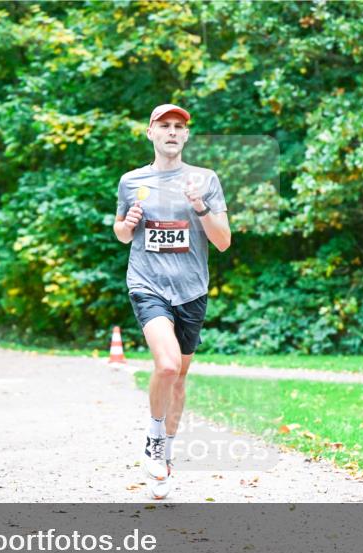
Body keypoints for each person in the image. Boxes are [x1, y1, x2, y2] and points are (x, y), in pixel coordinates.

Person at [113, 103, 231, 498]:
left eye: (179, 126)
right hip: (147, 284)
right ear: (151, 133)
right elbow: (122, 233)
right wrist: (126, 225)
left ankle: (165, 456)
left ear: (186, 136)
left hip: (192, 290)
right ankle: (153, 435)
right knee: (165, 366)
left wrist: (200, 206)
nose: (172, 132)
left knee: (179, 378)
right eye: (164, 125)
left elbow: (223, 241)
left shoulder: (205, 180)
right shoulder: (131, 181)